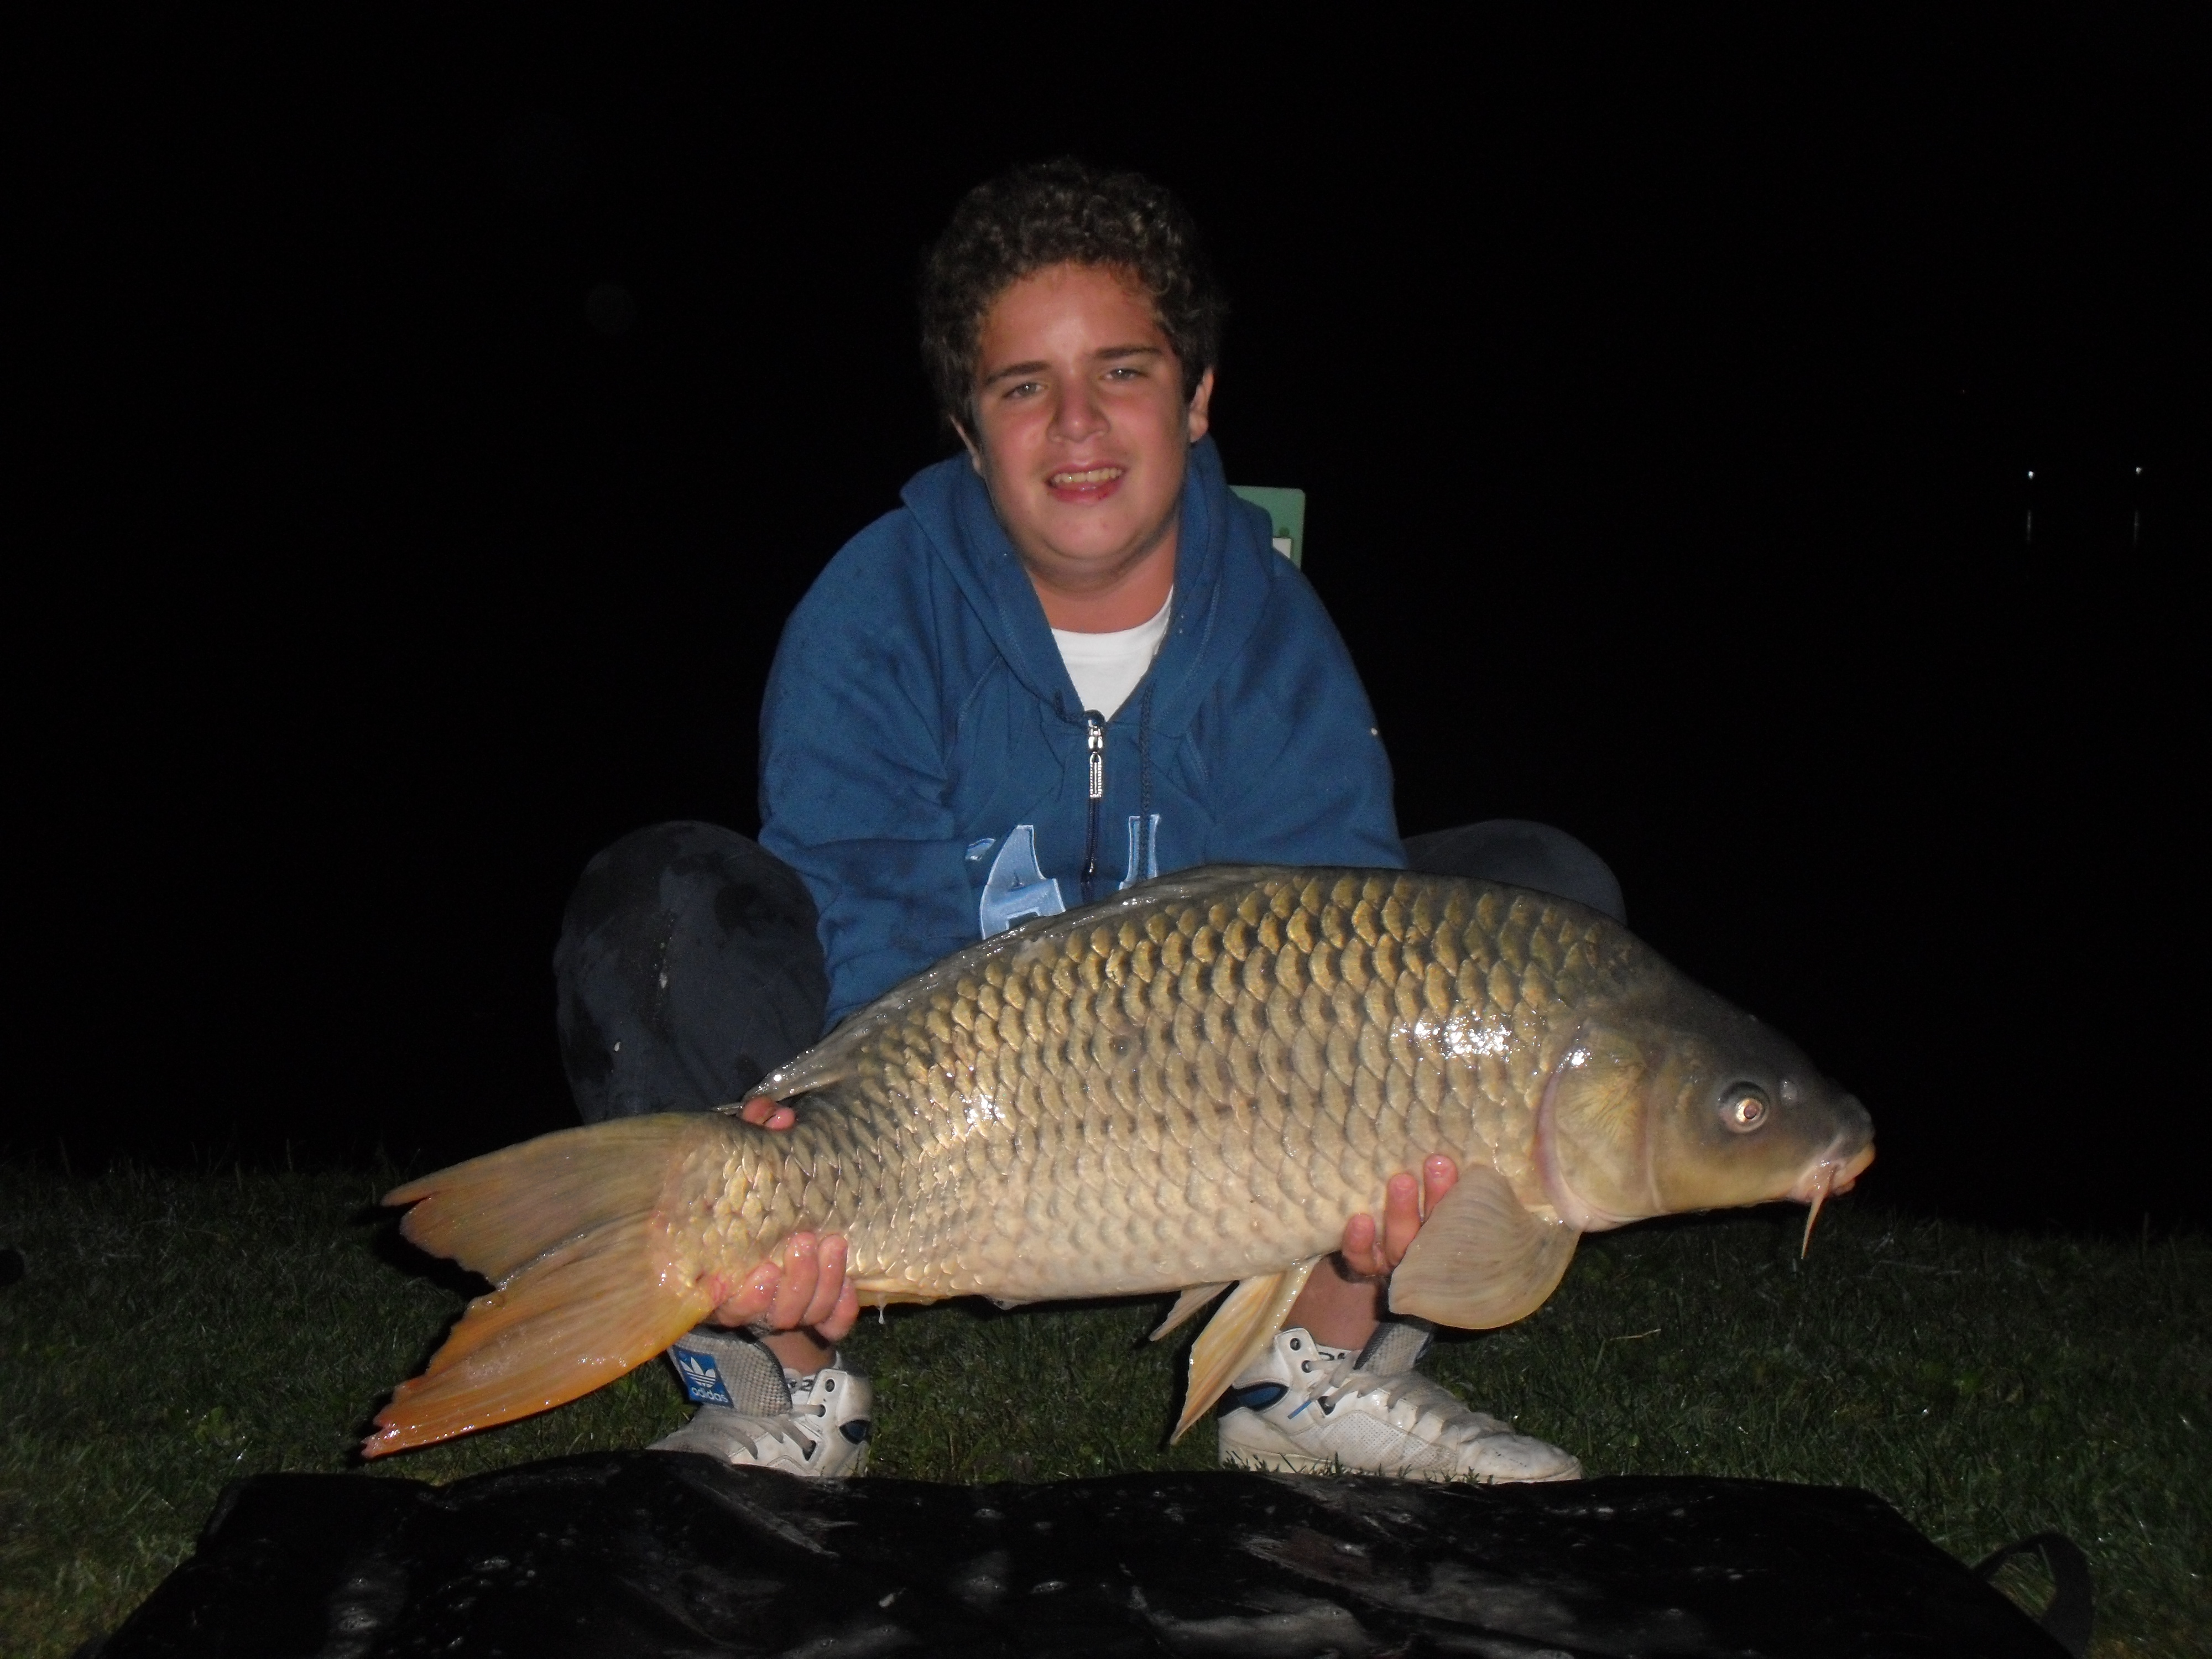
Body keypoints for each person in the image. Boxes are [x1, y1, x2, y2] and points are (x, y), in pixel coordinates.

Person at [555, 161, 1621, 1481]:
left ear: (1196, 395)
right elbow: (866, 925)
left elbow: (1340, 913)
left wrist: (1380, 1168)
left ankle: (1312, 1370)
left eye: (1120, 371)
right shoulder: (875, 609)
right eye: (1022, 387)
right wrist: (828, 1192)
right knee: (652, 912)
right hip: (948, 1110)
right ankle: (782, 1379)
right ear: (967, 427)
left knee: (1536, 913)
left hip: (1213, 1118)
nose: (1076, 425)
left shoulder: (1272, 631)